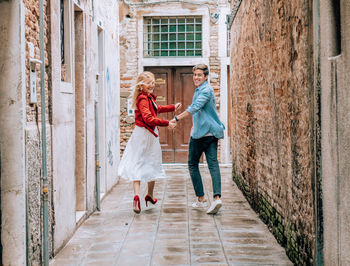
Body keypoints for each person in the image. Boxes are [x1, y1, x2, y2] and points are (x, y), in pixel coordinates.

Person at [118, 71, 181, 213]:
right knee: (151, 163)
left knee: (138, 162)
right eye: (149, 83)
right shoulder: (143, 99)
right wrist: (167, 123)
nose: (152, 85)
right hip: (147, 135)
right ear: (142, 85)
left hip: (140, 135)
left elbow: (157, 109)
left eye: (153, 82)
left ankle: (139, 197)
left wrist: (172, 107)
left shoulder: (146, 98)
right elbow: (149, 119)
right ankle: (146, 195)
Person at [171, 64, 225, 214]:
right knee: (213, 164)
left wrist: (177, 118)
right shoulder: (203, 89)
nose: (196, 77)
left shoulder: (205, 90)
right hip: (211, 132)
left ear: (206, 77)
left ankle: (202, 199)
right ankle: (216, 199)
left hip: (202, 134)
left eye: (199, 75)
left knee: (193, 164)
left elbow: (195, 107)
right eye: (195, 75)